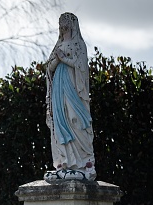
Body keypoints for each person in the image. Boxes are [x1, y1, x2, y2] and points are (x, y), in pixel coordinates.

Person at [45, 12, 96, 181]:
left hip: (73, 87)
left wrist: (63, 59)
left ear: (73, 24)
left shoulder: (78, 44)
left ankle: (83, 163)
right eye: (61, 22)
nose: (63, 25)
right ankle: (65, 162)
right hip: (58, 88)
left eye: (66, 21)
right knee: (60, 121)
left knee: (75, 119)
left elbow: (80, 66)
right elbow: (49, 68)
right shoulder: (57, 45)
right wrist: (57, 60)